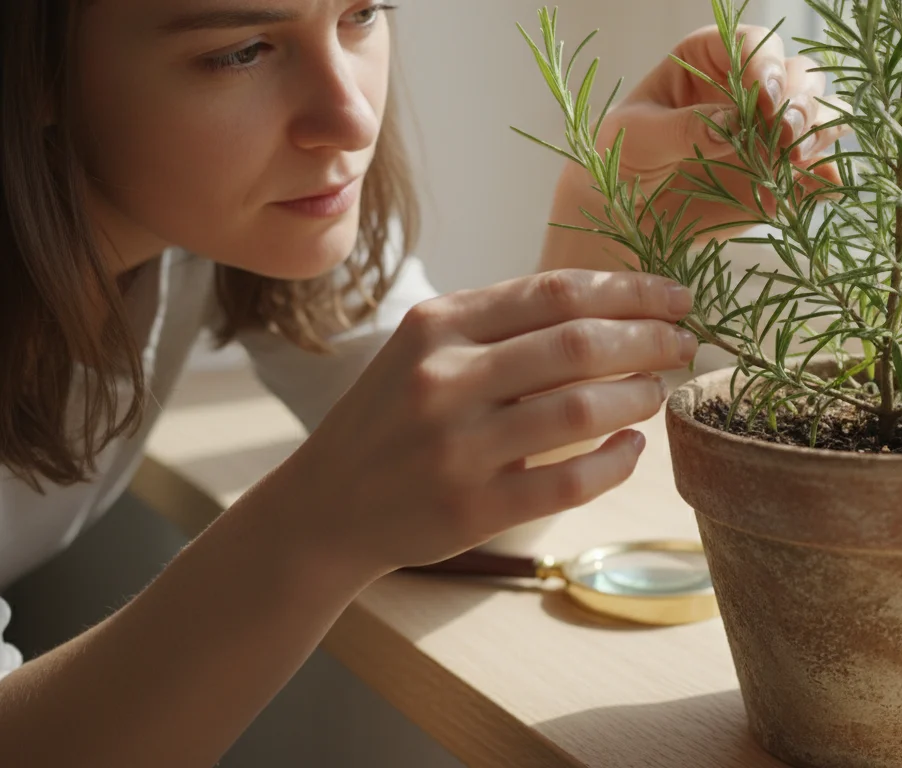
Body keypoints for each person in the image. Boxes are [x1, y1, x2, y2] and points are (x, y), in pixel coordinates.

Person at [0, 1, 846, 765]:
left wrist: (613, 213)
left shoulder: (219, 232)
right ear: (31, 65)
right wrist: (310, 527)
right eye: (243, 51)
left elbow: (462, 479)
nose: (351, 115)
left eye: (363, 14)